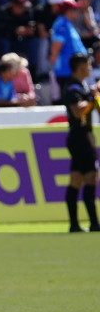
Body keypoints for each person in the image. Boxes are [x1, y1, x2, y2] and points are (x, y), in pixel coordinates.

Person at [62, 52, 99, 232]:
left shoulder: (80, 87)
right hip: (80, 138)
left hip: (81, 138)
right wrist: (92, 98)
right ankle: (94, 223)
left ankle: (74, 225)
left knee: (76, 179)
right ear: (80, 66)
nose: (90, 67)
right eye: (88, 64)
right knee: (91, 177)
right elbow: (78, 111)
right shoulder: (73, 89)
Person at [0, 0, 37, 74]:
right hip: (6, 40)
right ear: (12, 3)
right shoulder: (3, 12)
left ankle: (32, 74)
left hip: (20, 40)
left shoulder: (27, 12)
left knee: (32, 43)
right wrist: (15, 31)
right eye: (19, 6)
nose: (22, 8)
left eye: (23, 6)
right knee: (4, 44)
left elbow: (31, 27)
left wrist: (28, 32)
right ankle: (3, 72)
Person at [50, 0, 86, 94]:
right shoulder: (62, 24)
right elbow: (56, 46)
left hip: (71, 70)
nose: (77, 12)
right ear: (69, 11)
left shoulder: (66, 23)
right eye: (75, 9)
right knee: (70, 100)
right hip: (66, 71)